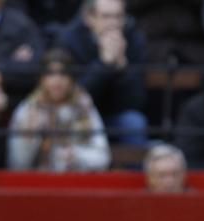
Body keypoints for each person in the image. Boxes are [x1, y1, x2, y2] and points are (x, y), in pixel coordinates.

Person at [56, 0, 149, 145]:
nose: (113, 23)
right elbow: (76, 96)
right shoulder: (70, 41)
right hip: (80, 116)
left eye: (118, 17)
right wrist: (104, 65)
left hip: (116, 115)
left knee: (134, 123)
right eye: (106, 16)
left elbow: (137, 102)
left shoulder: (134, 40)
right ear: (89, 18)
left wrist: (122, 68)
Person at [7, 48, 110, 171]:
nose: (57, 80)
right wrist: (29, 139)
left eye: (63, 73)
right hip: (39, 184)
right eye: (50, 74)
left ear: (71, 79)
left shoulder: (84, 106)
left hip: (77, 181)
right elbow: (17, 165)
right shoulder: (28, 109)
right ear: (41, 79)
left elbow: (104, 158)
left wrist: (77, 155)